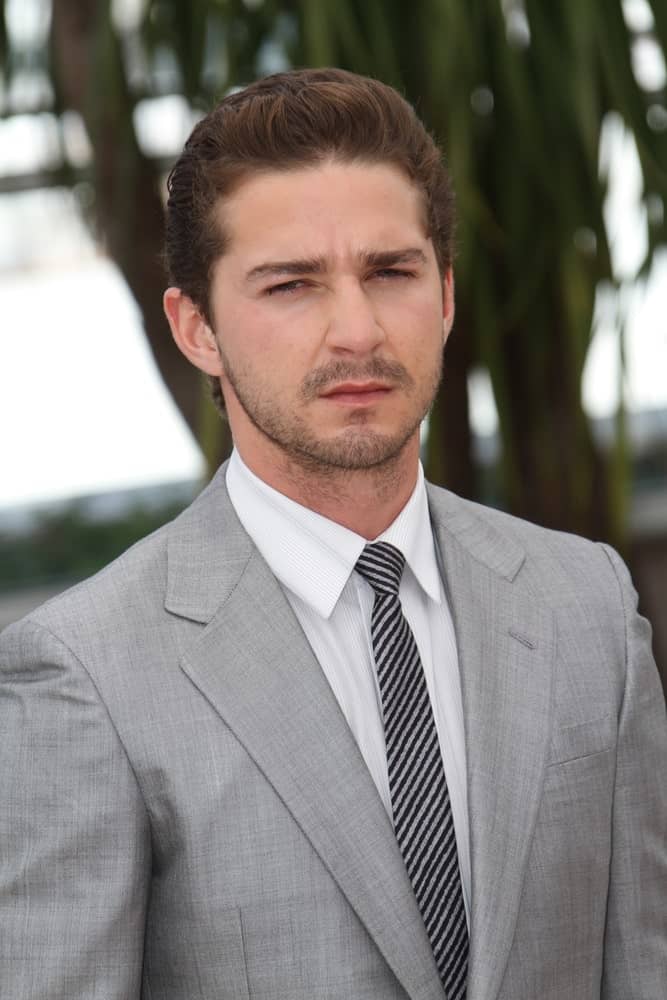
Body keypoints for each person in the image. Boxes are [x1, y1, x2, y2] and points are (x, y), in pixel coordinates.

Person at [1, 68, 665, 1000]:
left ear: (442, 294)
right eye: (290, 286)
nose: (355, 331)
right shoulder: (86, 677)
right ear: (196, 329)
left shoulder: (585, 603)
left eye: (389, 272)